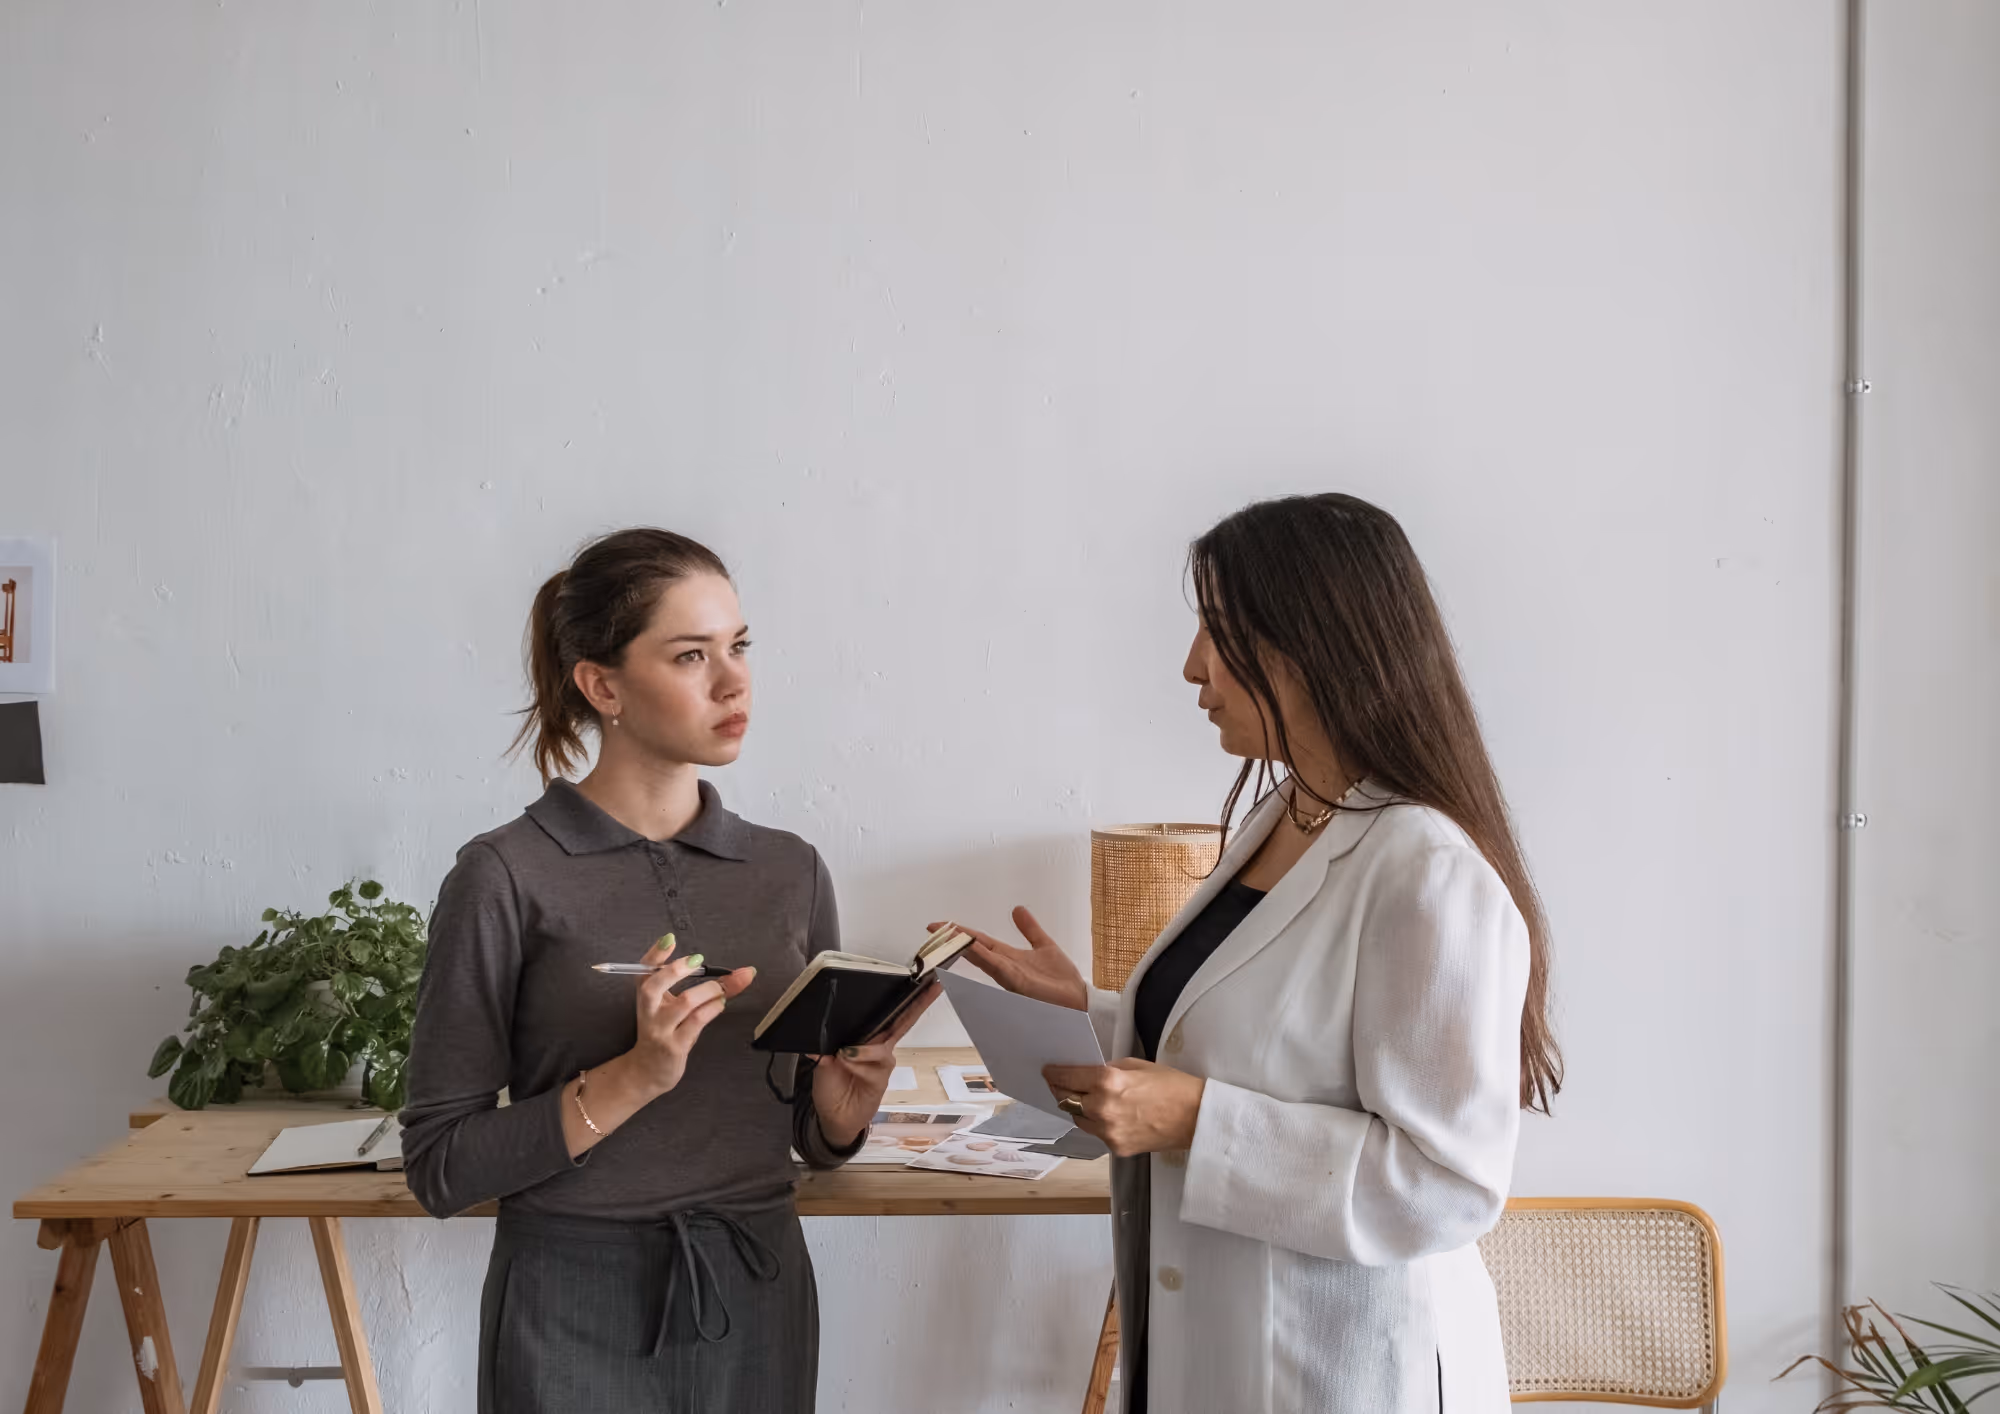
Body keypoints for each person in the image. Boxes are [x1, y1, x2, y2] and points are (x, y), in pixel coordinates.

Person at [949, 493, 1558, 1414]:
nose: (1193, 667)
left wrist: (1198, 1121)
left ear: (1316, 646)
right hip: (1208, 1354)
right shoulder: (1288, 815)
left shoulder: (1425, 870)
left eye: (1222, 634)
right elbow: (1262, 1046)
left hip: (1343, 1374)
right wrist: (1091, 1010)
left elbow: (1447, 1184)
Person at [401, 527, 932, 1414]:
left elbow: (805, 1137)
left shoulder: (788, 871)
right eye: (691, 655)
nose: (734, 682)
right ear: (601, 685)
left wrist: (841, 1115)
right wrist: (633, 1078)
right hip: (568, 1297)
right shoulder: (503, 875)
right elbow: (441, 1165)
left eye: (739, 646)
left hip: (758, 1287)